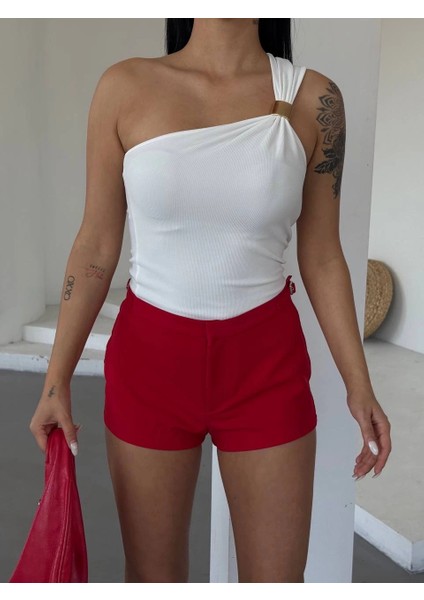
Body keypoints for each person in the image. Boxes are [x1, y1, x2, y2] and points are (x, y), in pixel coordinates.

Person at [29, 18, 392, 583]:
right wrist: (56, 381)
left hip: (265, 368)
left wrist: (359, 383)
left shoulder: (314, 100)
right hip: (149, 365)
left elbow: (322, 256)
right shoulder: (124, 87)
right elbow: (96, 245)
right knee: (152, 579)